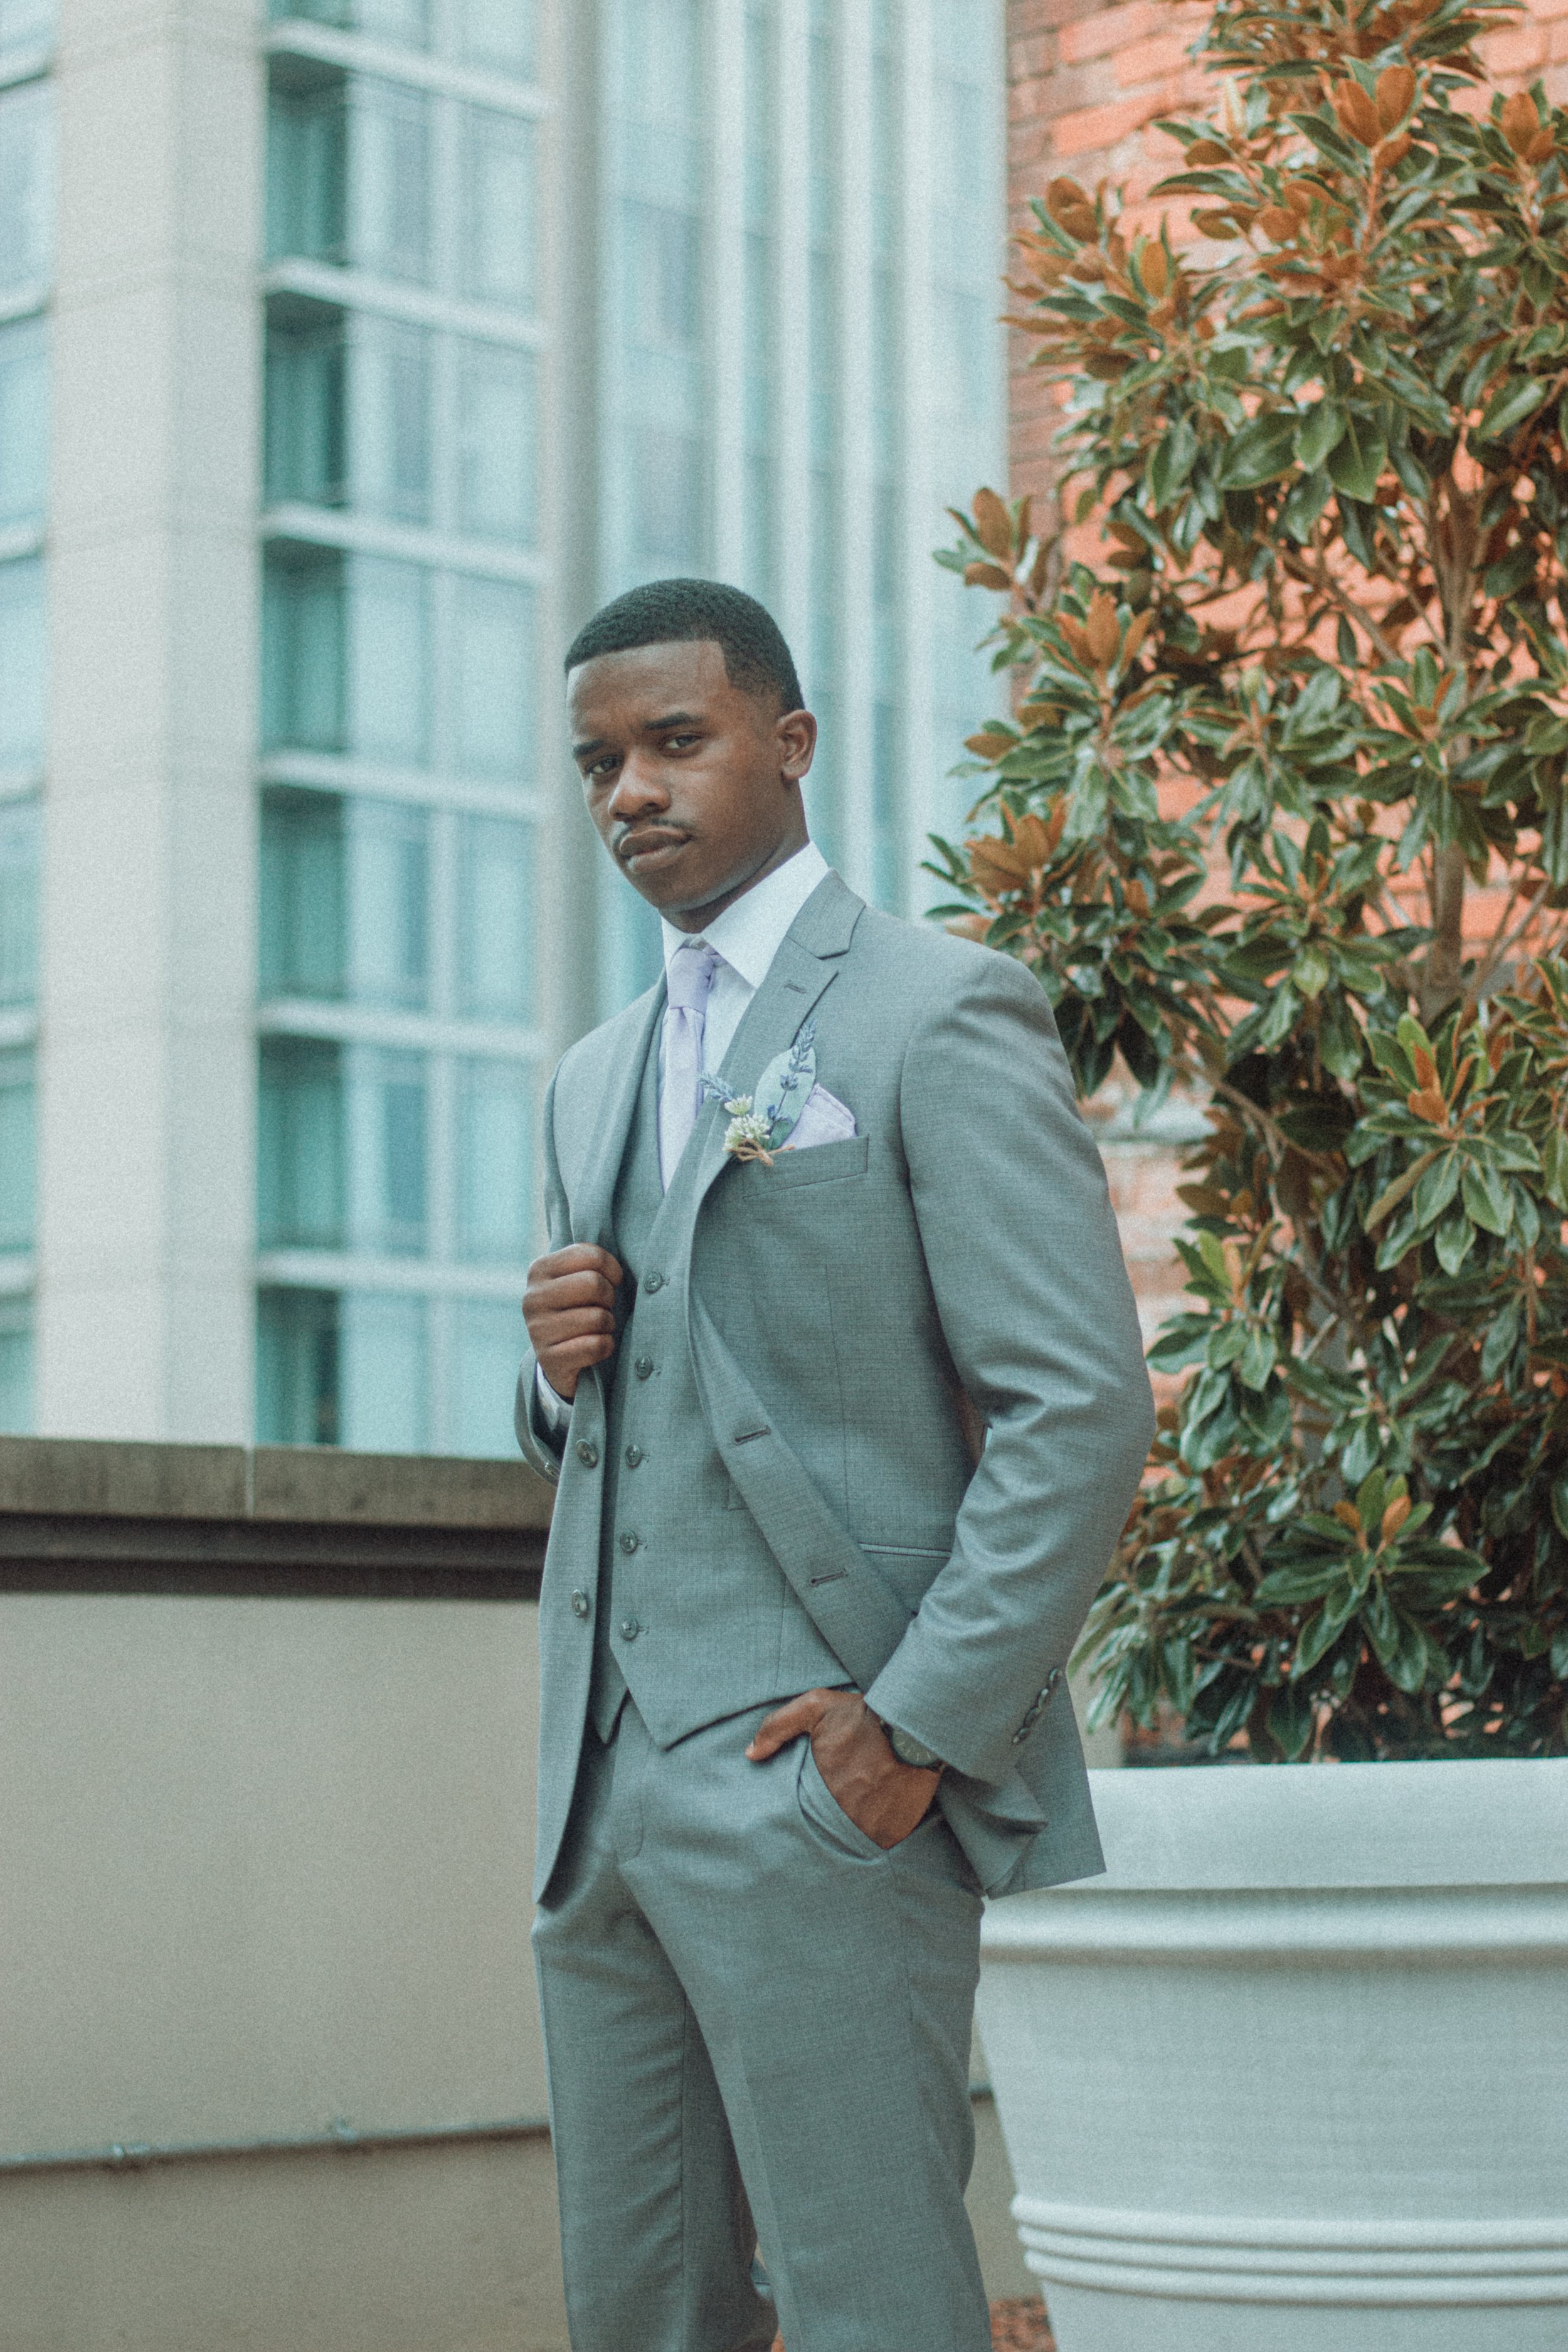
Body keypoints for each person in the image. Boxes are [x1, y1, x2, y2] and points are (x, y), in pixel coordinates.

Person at [516, 578, 1153, 2352]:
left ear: (788, 746)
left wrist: (913, 1731)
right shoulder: (592, 1077)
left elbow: (1080, 1408)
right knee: (639, 2309)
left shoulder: (934, 1012)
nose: (628, 792)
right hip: (602, 1799)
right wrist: (558, 1379)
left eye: (671, 742)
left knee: (873, 2303)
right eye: (593, 765)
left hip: (827, 1779)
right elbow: (626, 1427)